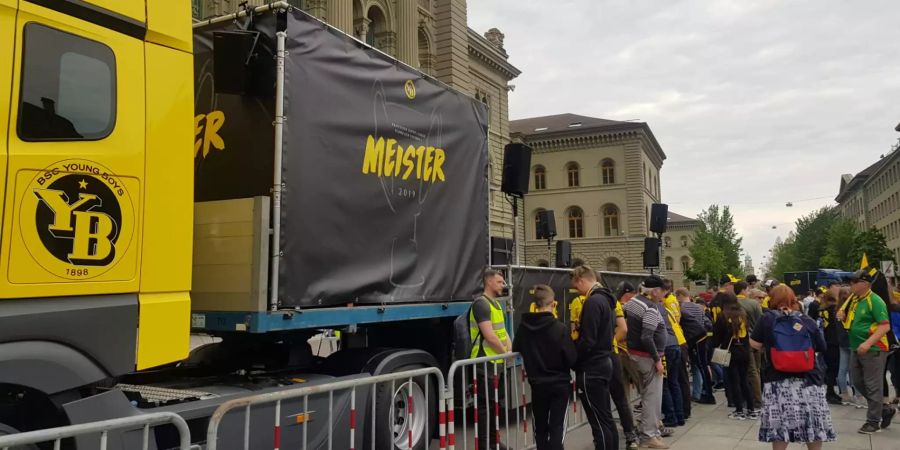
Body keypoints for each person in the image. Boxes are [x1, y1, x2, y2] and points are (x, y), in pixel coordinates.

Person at [750, 284, 836, 449]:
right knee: (812, 423)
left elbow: (754, 344)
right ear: (793, 299)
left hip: (778, 381)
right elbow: (821, 346)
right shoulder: (805, 319)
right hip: (809, 380)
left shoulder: (767, 318)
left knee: (781, 426)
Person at [514, 284, 577, 450]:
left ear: (535, 304)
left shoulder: (524, 327)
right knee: (557, 428)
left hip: (537, 383)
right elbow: (571, 358)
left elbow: (516, 347)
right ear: (553, 303)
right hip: (559, 384)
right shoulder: (560, 328)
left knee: (540, 427)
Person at [838, 267, 893, 434]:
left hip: (874, 348)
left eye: (854, 282)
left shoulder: (875, 301)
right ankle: (883, 409)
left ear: (864, 283)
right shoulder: (855, 300)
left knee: (872, 385)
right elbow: (856, 323)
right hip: (857, 347)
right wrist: (844, 318)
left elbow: (885, 326)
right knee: (857, 382)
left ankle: (873, 421)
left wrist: (868, 343)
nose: (850, 285)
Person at [571, 266, 618, 450]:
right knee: (605, 417)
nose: (577, 290)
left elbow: (588, 340)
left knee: (598, 420)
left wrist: (575, 359)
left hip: (592, 366)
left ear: (581, 280)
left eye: (576, 285)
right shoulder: (606, 299)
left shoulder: (592, 302)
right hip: (603, 361)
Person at [623, 275, 669, 449]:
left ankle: (651, 432)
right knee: (652, 397)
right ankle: (649, 436)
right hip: (648, 357)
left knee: (647, 395)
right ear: (655, 290)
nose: (663, 295)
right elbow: (647, 336)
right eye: (662, 291)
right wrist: (657, 359)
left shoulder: (633, 302)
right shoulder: (650, 307)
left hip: (636, 355)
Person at [469, 268, 511, 450]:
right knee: (485, 408)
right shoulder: (481, 304)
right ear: (489, 282)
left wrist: (508, 351)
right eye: (500, 282)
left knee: (495, 406)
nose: (504, 285)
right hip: (484, 363)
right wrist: (505, 353)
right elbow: (490, 336)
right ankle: (486, 445)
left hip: (496, 363)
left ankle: (494, 443)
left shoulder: (496, 304)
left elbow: (503, 332)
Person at [711, 292, 753, 420]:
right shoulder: (743, 314)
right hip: (745, 351)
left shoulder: (723, 316)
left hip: (730, 352)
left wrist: (715, 345)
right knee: (744, 380)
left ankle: (739, 409)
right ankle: (750, 408)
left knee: (734, 381)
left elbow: (716, 337)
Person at [609, 282, 639, 450]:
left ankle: (646, 425)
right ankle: (633, 427)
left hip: (629, 352)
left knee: (639, 390)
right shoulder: (620, 307)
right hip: (624, 352)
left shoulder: (628, 307)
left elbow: (625, 330)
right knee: (625, 393)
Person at [677, 288, 715, 404]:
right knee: (702, 365)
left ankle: (705, 394)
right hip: (702, 338)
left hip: (692, 339)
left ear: (680, 295)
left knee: (698, 366)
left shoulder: (681, 308)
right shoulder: (698, 307)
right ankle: (700, 392)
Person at [659, 279, 687, 427]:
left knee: (666, 383)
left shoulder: (661, 306)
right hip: (677, 342)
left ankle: (671, 417)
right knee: (674, 382)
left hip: (668, 346)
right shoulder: (672, 303)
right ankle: (680, 415)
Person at [736, 281, 763, 417]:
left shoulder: (733, 304)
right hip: (756, 339)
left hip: (741, 341)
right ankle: (757, 399)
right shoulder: (754, 304)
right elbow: (761, 322)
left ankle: (748, 398)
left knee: (746, 371)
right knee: (755, 370)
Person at [819, 285, 843, 405]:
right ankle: (830, 392)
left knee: (829, 367)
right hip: (834, 341)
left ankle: (830, 391)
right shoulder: (834, 309)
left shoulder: (822, 309)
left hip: (825, 340)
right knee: (834, 367)